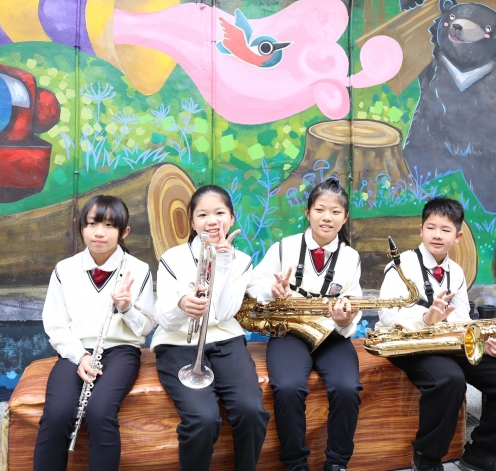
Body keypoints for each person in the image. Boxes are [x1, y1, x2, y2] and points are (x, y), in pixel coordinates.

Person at [378, 196, 496, 471]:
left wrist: (483, 341)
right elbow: (387, 316)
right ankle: (427, 459)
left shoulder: (456, 272)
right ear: (421, 230)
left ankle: (481, 453)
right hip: (409, 345)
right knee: (449, 380)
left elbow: (462, 319)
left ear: (458, 237)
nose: (437, 235)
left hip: (449, 344)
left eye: (445, 229)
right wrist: (426, 318)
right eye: (431, 227)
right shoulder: (400, 265)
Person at [151, 184, 270, 471]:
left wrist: (225, 263)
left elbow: (227, 312)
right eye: (202, 215)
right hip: (179, 343)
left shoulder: (242, 262)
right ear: (192, 222)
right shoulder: (171, 259)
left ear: (231, 217)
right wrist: (182, 304)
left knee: (251, 410)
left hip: (226, 341)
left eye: (219, 213)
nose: (212, 221)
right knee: (203, 419)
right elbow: (164, 319)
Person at [34, 195, 156, 471]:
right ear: (82, 228)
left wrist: (126, 308)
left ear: (124, 232)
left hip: (121, 352)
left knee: (100, 412)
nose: (99, 232)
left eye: (109, 225)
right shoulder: (64, 269)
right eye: (91, 224)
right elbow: (55, 323)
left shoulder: (138, 270)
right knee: (57, 414)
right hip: (75, 351)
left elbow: (146, 326)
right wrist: (80, 356)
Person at [248, 178, 363, 471]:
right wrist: (271, 290)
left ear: (345, 217)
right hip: (290, 331)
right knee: (287, 387)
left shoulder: (351, 257)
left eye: (336, 212)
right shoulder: (284, 247)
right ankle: (295, 464)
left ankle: (337, 463)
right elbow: (254, 284)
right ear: (308, 212)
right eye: (320, 209)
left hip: (331, 334)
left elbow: (355, 302)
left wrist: (346, 321)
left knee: (347, 387)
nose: (327, 217)